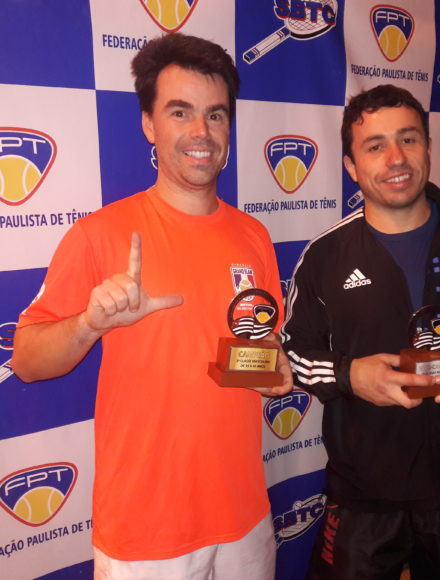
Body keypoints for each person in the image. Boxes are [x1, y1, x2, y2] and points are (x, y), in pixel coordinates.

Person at [12, 33, 292, 580]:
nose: (200, 132)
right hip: (145, 534)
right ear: (148, 124)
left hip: (245, 517)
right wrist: (89, 324)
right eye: (180, 112)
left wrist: (272, 370)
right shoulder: (99, 234)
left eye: (215, 115)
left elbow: (262, 350)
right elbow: (25, 360)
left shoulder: (254, 235)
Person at [280, 84, 440, 579]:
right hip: (362, 498)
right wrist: (350, 375)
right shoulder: (325, 256)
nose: (395, 158)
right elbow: (292, 353)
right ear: (352, 166)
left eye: (408, 139)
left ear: (428, 146)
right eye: (375, 146)